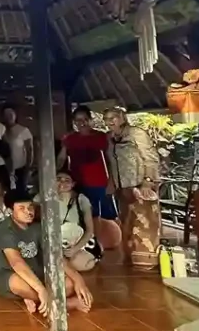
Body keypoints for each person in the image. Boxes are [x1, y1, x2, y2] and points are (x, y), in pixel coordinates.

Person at [0, 192, 94, 315]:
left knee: (70, 284)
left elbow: (54, 255)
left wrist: (78, 279)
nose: (28, 212)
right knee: (22, 285)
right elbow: (17, 263)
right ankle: (66, 305)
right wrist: (41, 290)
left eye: (30, 207)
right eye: (21, 208)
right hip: (9, 274)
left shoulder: (38, 226)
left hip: (36, 273)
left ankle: (35, 299)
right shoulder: (5, 230)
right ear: (10, 211)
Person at [104, 107, 161, 269]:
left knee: (145, 225)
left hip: (142, 185)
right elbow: (111, 163)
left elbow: (151, 158)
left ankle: (148, 261)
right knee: (127, 224)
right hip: (122, 188)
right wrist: (111, 183)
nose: (109, 122)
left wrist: (148, 181)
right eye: (106, 119)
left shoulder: (137, 133)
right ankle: (131, 259)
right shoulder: (109, 138)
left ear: (122, 118)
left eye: (113, 118)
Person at [59, 105, 117, 220]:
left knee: (108, 219)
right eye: (78, 120)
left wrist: (111, 182)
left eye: (85, 119)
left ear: (91, 120)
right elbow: (61, 159)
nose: (82, 123)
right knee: (85, 217)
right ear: (74, 122)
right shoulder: (69, 139)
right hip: (78, 184)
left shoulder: (102, 137)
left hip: (101, 184)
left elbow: (112, 160)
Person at [35, 170, 99, 272]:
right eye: (58, 179)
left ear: (73, 184)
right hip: (52, 242)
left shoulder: (81, 199)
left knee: (78, 264)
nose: (62, 183)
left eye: (67, 180)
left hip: (75, 242)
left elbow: (89, 229)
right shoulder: (42, 196)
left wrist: (75, 248)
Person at [1, 104, 34, 190]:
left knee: (21, 190)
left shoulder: (23, 130)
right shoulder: (1, 131)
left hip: (21, 168)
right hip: (6, 169)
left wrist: (28, 167)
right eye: (6, 114)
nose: (9, 117)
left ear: (15, 115)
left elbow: (29, 149)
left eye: (11, 114)